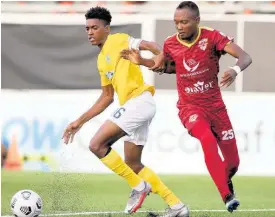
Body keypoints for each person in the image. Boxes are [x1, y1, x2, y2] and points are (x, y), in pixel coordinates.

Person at [120, 1, 252, 213]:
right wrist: (142, 61)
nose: (179, 26)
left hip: (216, 107)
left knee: (233, 163)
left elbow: (245, 57)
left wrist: (235, 70)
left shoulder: (212, 37)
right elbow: (165, 66)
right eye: (176, 22)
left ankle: (224, 180)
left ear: (197, 21)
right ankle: (227, 196)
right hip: (190, 107)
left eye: (184, 22)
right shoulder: (170, 43)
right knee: (207, 139)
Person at [62, 6, 189, 217]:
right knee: (132, 163)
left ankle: (139, 187)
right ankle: (177, 206)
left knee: (96, 145)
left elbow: (147, 44)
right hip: (134, 106)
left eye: (95, 27)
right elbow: (107, 97)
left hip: (138, 101)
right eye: (87, 29)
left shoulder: (119, 39)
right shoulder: (101, 61)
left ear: (107, 28)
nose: (90, 32)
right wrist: (79, 121)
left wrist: (161, 55)